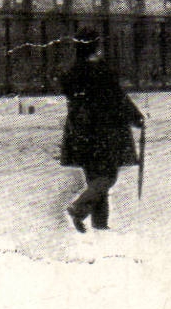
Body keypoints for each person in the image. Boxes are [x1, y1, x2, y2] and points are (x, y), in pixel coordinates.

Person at [59, 28, 143, 232]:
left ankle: (100, 226)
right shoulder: (102, 71)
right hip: (105, 131)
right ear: (95, 46)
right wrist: (136, 117)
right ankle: (79, 208)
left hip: (79, 132)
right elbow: (118, 99)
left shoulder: (70, 72)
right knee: (107, 177)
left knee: (95, 177)